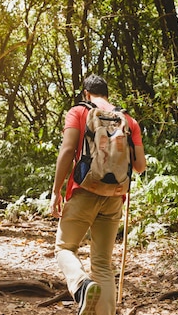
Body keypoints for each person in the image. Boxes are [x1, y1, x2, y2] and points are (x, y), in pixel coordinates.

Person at [49, 74, 146, 315]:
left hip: (83, 191)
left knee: (64, 248)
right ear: (107, 94)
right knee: (103, 264)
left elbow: (68, 150)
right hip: (114, 197)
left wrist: (56, 191)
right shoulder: (128, 120)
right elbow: (140, 166)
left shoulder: (79, 112)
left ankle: (81, 285)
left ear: (86, 94)